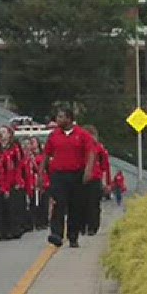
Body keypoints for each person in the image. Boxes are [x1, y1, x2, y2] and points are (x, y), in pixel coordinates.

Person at [43, 106, 98, 248]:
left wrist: (88, 170)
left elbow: (91, 152)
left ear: (69, 119)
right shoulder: (54, 135)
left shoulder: (82, 134)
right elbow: (46, 155)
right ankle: (56, 234)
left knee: (75, 207)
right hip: (58, 176)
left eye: (61, 117)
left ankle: (73, 236)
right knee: (58, 205)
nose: (58, 120)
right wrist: (41, 173)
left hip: (76, 175)